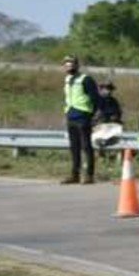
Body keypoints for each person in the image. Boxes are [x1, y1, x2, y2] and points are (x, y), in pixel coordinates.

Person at [60, 56, 99, 184]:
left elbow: (95, 98)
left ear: (77, 65)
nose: (68, 67)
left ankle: (89, 175)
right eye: (66, 65)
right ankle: (74, 174)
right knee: (74, 147)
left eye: (71, 64)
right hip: (71, 115)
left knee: (86, 146)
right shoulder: (67, 79)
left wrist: (92, 115)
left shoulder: (86, 79)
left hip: (83, 115)